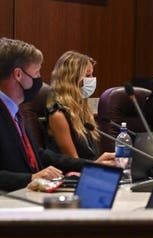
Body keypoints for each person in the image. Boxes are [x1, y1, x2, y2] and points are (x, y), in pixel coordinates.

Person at [0, 38, 113, 192]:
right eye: (36, 72)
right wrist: (31, 178)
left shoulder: (16, 111)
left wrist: (92, 166)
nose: (39, 79)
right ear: (18, 75)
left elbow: (39, 155)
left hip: (27, 197)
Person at [45, 51, 100, 160]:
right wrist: (99, 164)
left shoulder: (82, 109)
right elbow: (74, 161)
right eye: (88, 75)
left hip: (89, 171)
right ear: (72, 78)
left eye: (92, 74)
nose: (92, 79)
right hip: (71, 174)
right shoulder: (58, 114)